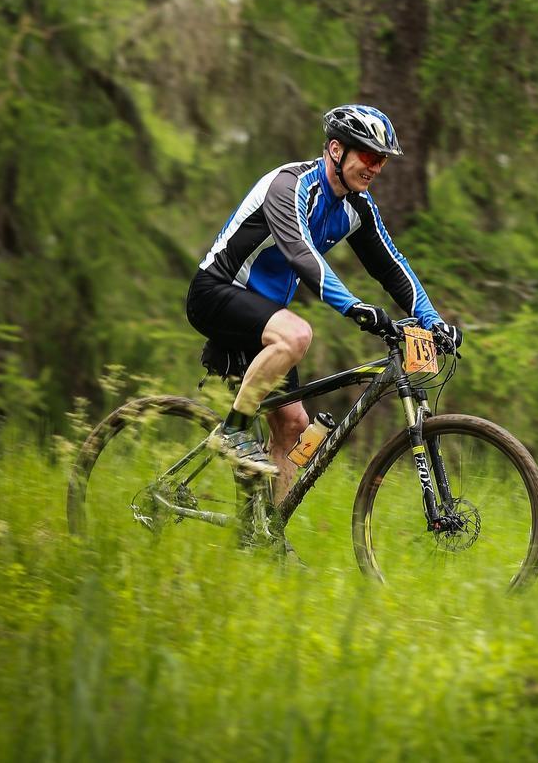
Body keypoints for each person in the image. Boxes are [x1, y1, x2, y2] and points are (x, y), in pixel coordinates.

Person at [186, 104, 462, 503]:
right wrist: (355, 307)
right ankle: (232, 430)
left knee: (294, 427)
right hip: (217, 293)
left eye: (381, 160)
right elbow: (302, 255)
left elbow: (391, 265)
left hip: (264, 322)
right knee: (298, 334)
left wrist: (432, 321)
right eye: (368, 155)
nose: (376, 168)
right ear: (336, 149)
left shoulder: (357, 206)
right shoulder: (289, 186)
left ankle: (264, 539)